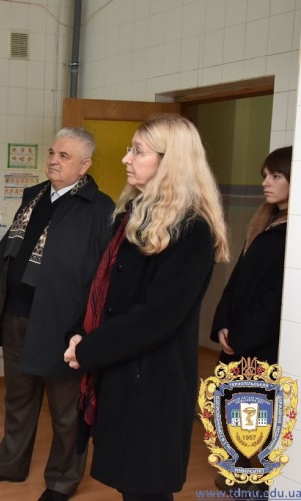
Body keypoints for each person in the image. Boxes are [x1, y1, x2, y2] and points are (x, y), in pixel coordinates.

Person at [63, 114, 230, 500]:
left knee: (146, 488)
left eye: (138, 151)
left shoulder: (192, 230)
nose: (126, 158)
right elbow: (104, 289)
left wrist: (88, 349)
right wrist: (78, 331)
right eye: (130, 149)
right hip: (123, 372)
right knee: (130, 485)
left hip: (153, 383)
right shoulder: (134, 214)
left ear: (171, 161)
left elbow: (156, 317)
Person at [0, 128, 114, 501]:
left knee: (66, 410)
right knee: (18, 398)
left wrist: (85, 327)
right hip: (16, 314)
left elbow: (102, 275)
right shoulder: (34, 195)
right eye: (52, 152)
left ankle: (62, 481)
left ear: (84, 165)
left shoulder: (99, 208)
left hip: (63, 324)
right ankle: (9, 466)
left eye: (64, 156)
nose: (53, 160)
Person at [211, 146, 292, 366]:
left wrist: (239, 336)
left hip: (262, 345)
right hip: (236, 336)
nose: (266, 182)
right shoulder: (262, 221)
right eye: (265, 176)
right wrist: (223, 324)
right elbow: (237, 278)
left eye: (276, 176)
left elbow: (278, 297)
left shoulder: (293, 232)